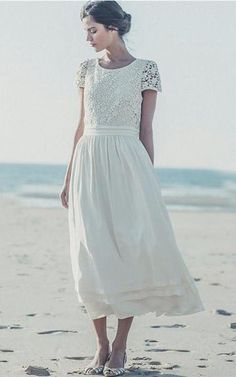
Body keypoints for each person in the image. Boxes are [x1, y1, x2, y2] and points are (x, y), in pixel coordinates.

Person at [60, 1, 205, 375]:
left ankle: (121, 347)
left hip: (128, 163)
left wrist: (148, 179)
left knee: (128, 252)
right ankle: (100, 346)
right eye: (85, 31)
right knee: (89, 255)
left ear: (113, 28)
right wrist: (67, 177)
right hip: (89, 164)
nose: (87, 37)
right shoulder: (85, 69)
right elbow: (79, 127)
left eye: (92, 29)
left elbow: (146, 130)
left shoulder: (146, 70)